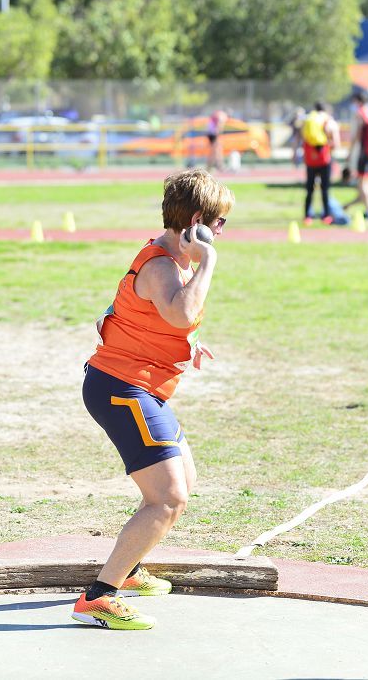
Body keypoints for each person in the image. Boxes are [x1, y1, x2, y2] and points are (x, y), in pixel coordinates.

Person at [73, 168, 232, 630]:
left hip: (141, 386)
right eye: (218, 223)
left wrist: (188, 346)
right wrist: (210, 261)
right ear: (197, 221)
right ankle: (100, 597)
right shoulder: (163, 263)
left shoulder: (170, 258)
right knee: (167, 498)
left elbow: (149, 319)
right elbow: (180, 312)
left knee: (183, 478)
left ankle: (130, 565)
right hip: (122, 388)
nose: (221, 233)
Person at [300, 102, 341, 226]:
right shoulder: (328, 121)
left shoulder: (308, 120)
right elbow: (336, 143)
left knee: (309, 189)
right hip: (324, 159)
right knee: (325, 190)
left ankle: (307, 216)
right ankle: (326, 216)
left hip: (310, 160)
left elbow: (302, 138)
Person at [350, 91, 368, 218]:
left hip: (364, 151)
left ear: (357, 101)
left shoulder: (360, 114)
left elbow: (357, 135)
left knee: (363, 182)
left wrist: (350, 152)